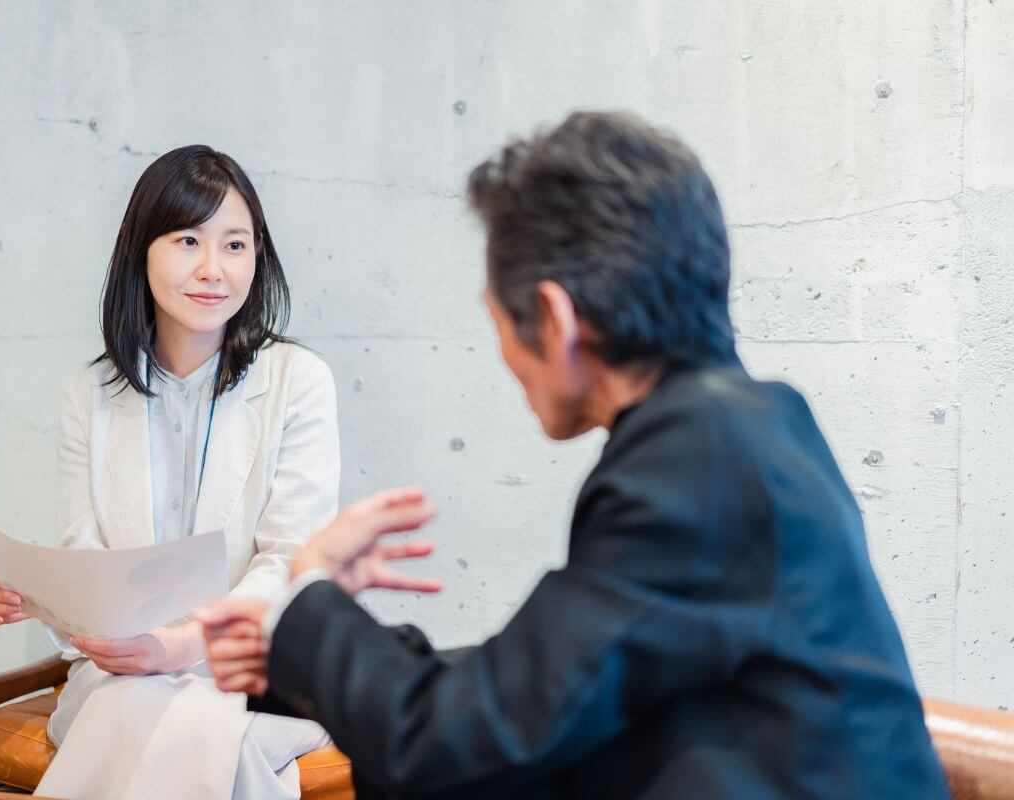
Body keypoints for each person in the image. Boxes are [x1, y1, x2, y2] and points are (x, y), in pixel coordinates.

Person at [197, 113, 951, 799]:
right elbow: (546, 684)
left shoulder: (691, 463)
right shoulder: (751, 428)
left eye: (495, 321)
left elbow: (457, 739)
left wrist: (311, 591)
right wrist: (298, 656)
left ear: (552, 319)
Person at [0, 146, 340, 799]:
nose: (211, 269)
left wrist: (182, 647)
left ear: (259, 257)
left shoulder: (297, 383)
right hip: (122, 672)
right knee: (154, 713)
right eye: (188, 239)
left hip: (266, 670)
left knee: (178, 723)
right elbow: (88, 564)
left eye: (235, 245)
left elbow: (293, 566)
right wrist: (36, 594)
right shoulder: (91, 394)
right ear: (141, 249)